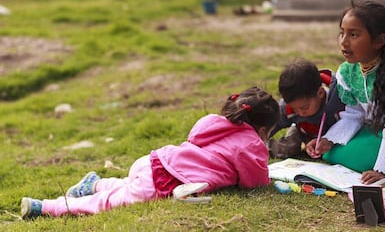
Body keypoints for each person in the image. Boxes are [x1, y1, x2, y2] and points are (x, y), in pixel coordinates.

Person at [21, 86, 280, 219]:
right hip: (164, 181)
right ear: (263, 128)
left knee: (125, 185)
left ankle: (95, 182)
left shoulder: (214, 122)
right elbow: (254, 182)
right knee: (107, 204)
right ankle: (45, 206)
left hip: (154, 162)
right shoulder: (251, 144)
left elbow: (194, 141)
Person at [306, 0, 385, 184]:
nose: (344, 42)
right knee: (330, 153)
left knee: (358, 158)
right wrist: (329, 139)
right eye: (342, 33)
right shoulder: (348, 72)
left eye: (354, 34)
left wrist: (384, 168)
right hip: (376, 129)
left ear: (379, 40)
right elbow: (354, 113)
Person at [268, 58, 344, 158]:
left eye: (304, 108)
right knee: (289, 147)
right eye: (294, 108)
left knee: (338, 152)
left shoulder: (337, 100)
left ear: (320, 93)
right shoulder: (287, 106)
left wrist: (330, 139)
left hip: (332, 136)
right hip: (302, 131)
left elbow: (347, 125)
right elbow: (271, 125)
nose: (300, 112)